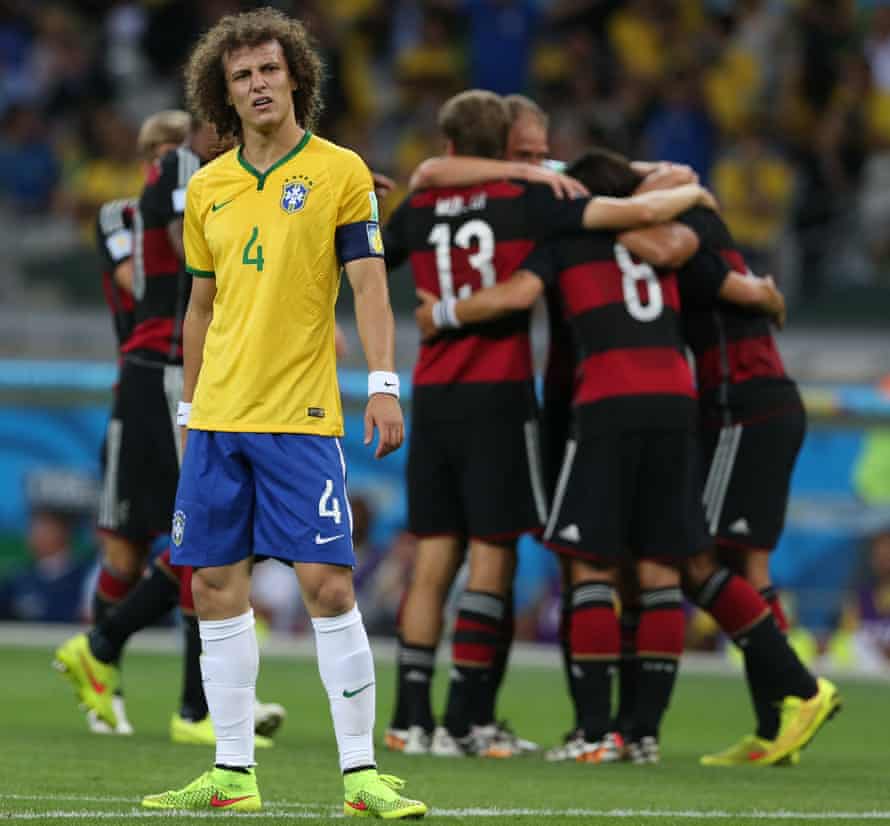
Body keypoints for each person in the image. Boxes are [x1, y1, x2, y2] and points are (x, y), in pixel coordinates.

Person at [417, 148, 839, 766]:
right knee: (665, 568)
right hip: (678, 403)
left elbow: (514, 296)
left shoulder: (569, 235)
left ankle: (599, 731)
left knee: (593, 568)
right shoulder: (668, 239)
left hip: (615, 400)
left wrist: (443, 312)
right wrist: (761, 290)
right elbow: (706, 261)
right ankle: (641, 735)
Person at [140, 9, 426, 818]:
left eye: (269, 70)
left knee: (329, 588)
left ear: (296, 75)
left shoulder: (340, 171)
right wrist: (191, 407)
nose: (259, 84)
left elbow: (371, 285)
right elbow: (198, 309)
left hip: (301, 417)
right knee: (214, 586)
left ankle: (362, 776)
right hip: (219, 417)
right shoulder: (209, 186)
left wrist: (382, 383)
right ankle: (233, 774)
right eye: (242, 76)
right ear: (221, 95)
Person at [384, 88, 716, 758]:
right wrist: (692, 193)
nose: (540, 163)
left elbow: (380, 237)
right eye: (528, 154)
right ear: (505, 151)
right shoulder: (533, 200)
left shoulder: (423, 199)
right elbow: (542, 275)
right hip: (501, 395)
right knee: (492, 559)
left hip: (434, 393)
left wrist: (433, 312)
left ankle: (408, 719)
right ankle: (464, 720)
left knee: (432, 561)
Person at [56, 113, 286, 744]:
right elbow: (157, 275)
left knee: (206, 534)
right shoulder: (144, 203)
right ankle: (141, 683)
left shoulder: (225, 191)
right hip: (157, 372)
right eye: (156, 153)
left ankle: (168, 684)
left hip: (194, 372)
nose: (166, 162)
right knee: (146, 544)